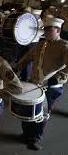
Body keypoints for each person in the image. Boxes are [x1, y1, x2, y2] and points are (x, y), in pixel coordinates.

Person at [14, 17, 68, 150]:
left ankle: (36, 138)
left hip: (51, 87)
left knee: (42, 114)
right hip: (34, 84)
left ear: (58, 30)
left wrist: (58, 78)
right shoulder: (41, 44)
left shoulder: (64, 46)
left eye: (50, 30)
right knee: (28, 111)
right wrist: (18, 67)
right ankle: (26, 134)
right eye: (46, 29)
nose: (47, 32)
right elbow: (28, 57)